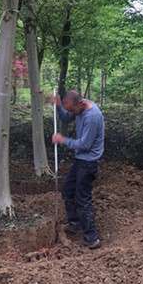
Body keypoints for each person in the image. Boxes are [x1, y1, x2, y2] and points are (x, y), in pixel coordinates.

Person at [52, 90, 104, 249]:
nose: (71, 113)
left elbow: (84, 145)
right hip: (80, 160)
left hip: (88, 162)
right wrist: (59, 106)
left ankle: (92, 238)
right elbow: (66, 117)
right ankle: (74, 223)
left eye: (72, 109)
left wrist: (63, 140)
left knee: (83, 198)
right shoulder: (78, 108)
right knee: (68, 190)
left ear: (80, 104)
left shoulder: (92, 116)